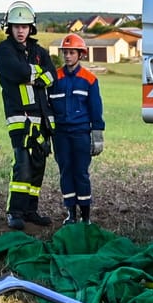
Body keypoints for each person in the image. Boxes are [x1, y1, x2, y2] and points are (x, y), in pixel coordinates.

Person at [0, 0, 56, 230]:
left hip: (42, 117)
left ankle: (31, 210)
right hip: (20, 117)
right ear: (9, 28)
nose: (21, 31)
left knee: (38, 164)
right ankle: (15, 212)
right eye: (16, 27)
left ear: (32, 28)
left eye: (25, 26)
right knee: (23, 163)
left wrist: (37, 75)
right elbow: (16, 71)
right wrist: (37, 75)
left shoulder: (39, 51)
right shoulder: (4, 50)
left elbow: (52, 75)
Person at [48, 33, 106, 224]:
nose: (67, 56)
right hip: (61, 135)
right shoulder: (54, 78)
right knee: (66, 172)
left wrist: (97, 135)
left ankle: (86, 216)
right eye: (65, 52)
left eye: (72, 52)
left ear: (80, 54)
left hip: (81, 134)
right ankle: (71, 214)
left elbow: (96, 109)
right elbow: (47, 106)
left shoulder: (89, 80)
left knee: (81, 173)